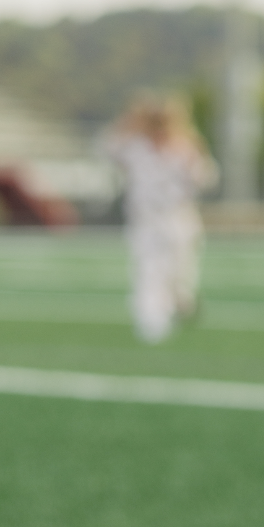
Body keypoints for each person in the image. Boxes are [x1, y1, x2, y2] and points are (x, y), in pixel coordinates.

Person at [106, 94, 219, 343]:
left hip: (178, 217)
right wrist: (129, 121)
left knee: (180, 272)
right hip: (146, 220)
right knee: (148, 271)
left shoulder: (186, 148)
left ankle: (180, 302)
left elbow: (207, 178)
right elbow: (108, 149)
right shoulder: (135, 147)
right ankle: (151, 322)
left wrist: (195, 159)